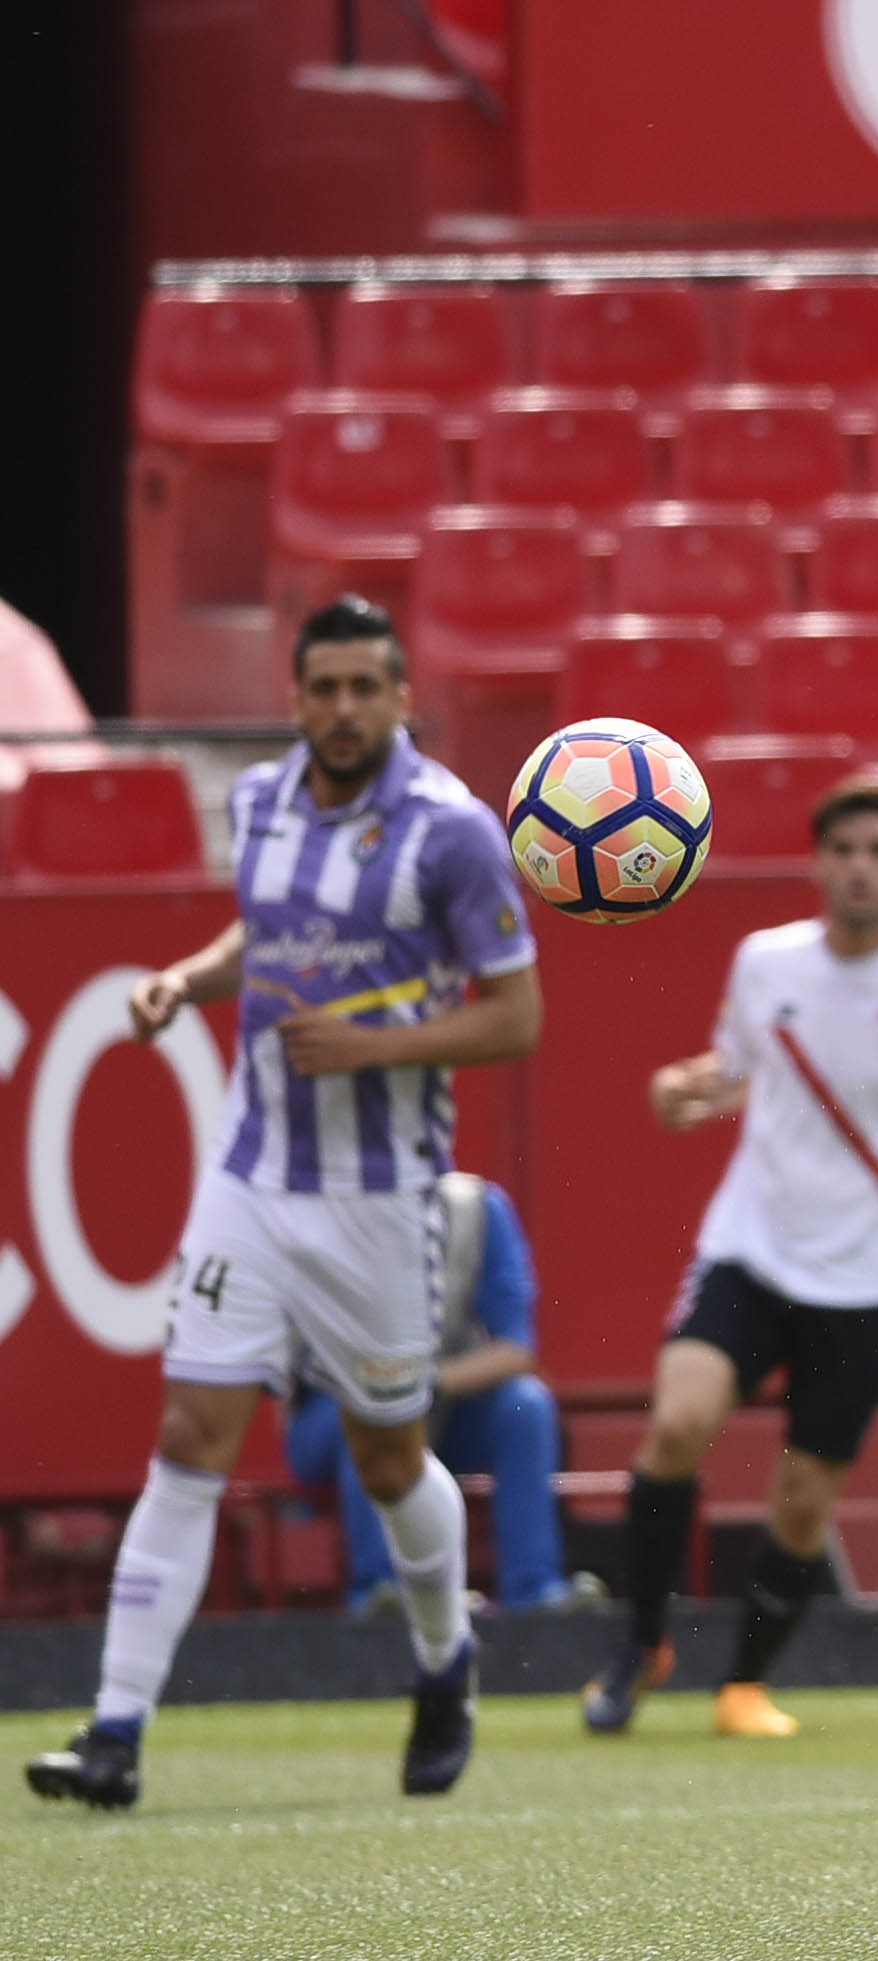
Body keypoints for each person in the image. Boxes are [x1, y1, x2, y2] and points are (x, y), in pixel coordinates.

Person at [25, 595, 543, 1812]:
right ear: (298, 695)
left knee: (385, 1453)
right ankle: (115, 1730)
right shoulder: (259, 798)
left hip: (379, 1198)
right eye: (326, 689)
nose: (346, 710)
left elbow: (517, 1015)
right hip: (250, 1176)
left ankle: (441, 1654)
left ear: (404, 696)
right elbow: (264, 938)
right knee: (191, 1438)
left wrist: (373, 1048)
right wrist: (185, 980)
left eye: (369, 688)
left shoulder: (451, 834)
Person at [581, 778, 878, 1741]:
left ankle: (744, 1685)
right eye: (846, 850)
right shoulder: (766, 962)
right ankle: (641, 1643)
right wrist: (686, 1090)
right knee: (677, 1424)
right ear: (819, 860)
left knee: (804, 1500)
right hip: (751, 1246)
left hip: (868, 1273)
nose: (862, 868)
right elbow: (738, 1073)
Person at [283, 1171, 599, 1615]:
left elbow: (515, 1350)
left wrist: (421, 1383)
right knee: (367, 1408)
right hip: (331, 1414)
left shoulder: (477, 1210)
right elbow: (278, 1362)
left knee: (527, 1405)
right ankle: (382, 1591)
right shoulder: (319, 1213)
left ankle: (533, 1590)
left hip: (447, 1410)